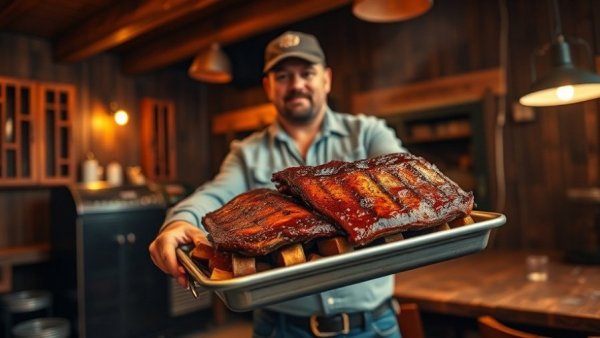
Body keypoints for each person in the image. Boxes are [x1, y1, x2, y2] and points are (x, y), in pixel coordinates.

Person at [149, 31, 407, 338]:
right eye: (283, 75)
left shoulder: (367, 133)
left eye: (307, 73)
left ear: (326, 79)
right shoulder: (246, 153)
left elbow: (402, 179)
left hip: (373, 326)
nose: (296, 85)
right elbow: (215, 194)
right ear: (268, 86)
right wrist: (179, 222)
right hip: (280, 329)